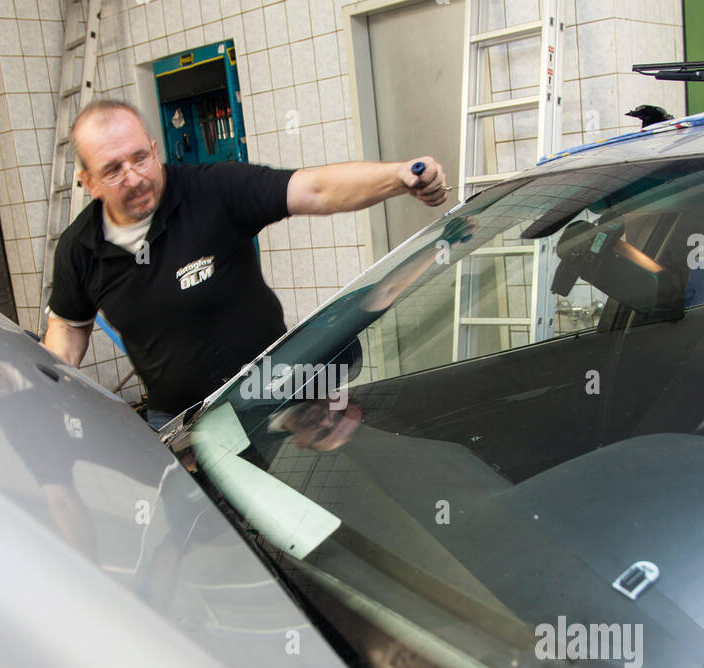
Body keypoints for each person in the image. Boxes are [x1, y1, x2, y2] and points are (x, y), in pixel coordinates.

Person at [43, 98, 450, 430]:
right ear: (88, 182)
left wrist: (398, 177)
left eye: (140, 158)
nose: (134, 178)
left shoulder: (213, 191)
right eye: (113, 170)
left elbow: (316, 189)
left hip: (282, 402)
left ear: (154, 149)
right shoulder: (79, 249)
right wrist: (51, 391)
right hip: (181, 426)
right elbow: (67, 324)